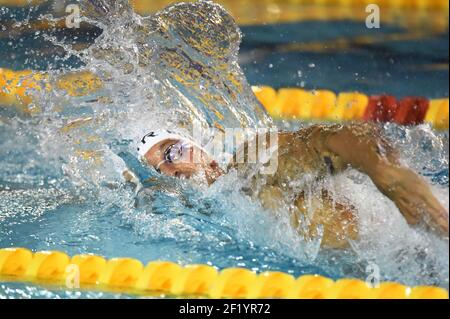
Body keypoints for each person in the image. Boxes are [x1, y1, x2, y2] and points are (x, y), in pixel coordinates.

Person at [124, 123, 449, 249]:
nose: (172, 170)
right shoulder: (208, 225)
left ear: (201, 150)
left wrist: (386, 174)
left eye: (173, 152)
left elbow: (337, 139)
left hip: (426, 229)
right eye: (159, 170)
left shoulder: (249, 165)